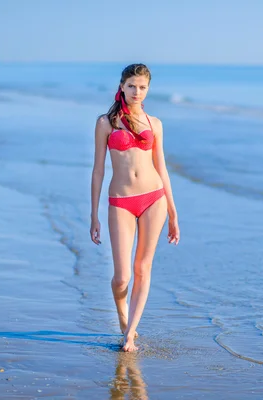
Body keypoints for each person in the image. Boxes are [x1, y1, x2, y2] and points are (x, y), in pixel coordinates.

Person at [90, 64, 180, 352]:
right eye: (132, 86)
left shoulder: (155, 123)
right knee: (122, 277)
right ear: (122, 86)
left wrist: (174, 213)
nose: (137, 92)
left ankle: (130, 333)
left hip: (155, 199)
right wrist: (94, 215)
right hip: (121, 202)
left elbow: (162, 168)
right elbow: (98, 172)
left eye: (142, 87)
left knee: (143, 267)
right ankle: (122, 315)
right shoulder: (106, 123)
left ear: (148, 89)